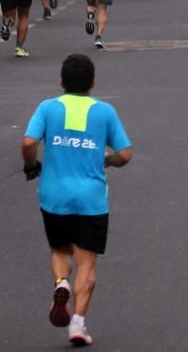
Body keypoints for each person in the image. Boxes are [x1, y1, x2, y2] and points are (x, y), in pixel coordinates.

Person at [21, 54, 133, 346]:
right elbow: (126, 154)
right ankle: (78, 324)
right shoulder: (104, 112)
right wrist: (107, 160)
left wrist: (31, 166)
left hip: (54, 197)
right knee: (86, 262)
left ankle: (61, 284)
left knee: (60, 250)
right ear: (93, 83)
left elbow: (29, 142)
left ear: (61, 82)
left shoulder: (48, 108)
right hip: (91, 199)